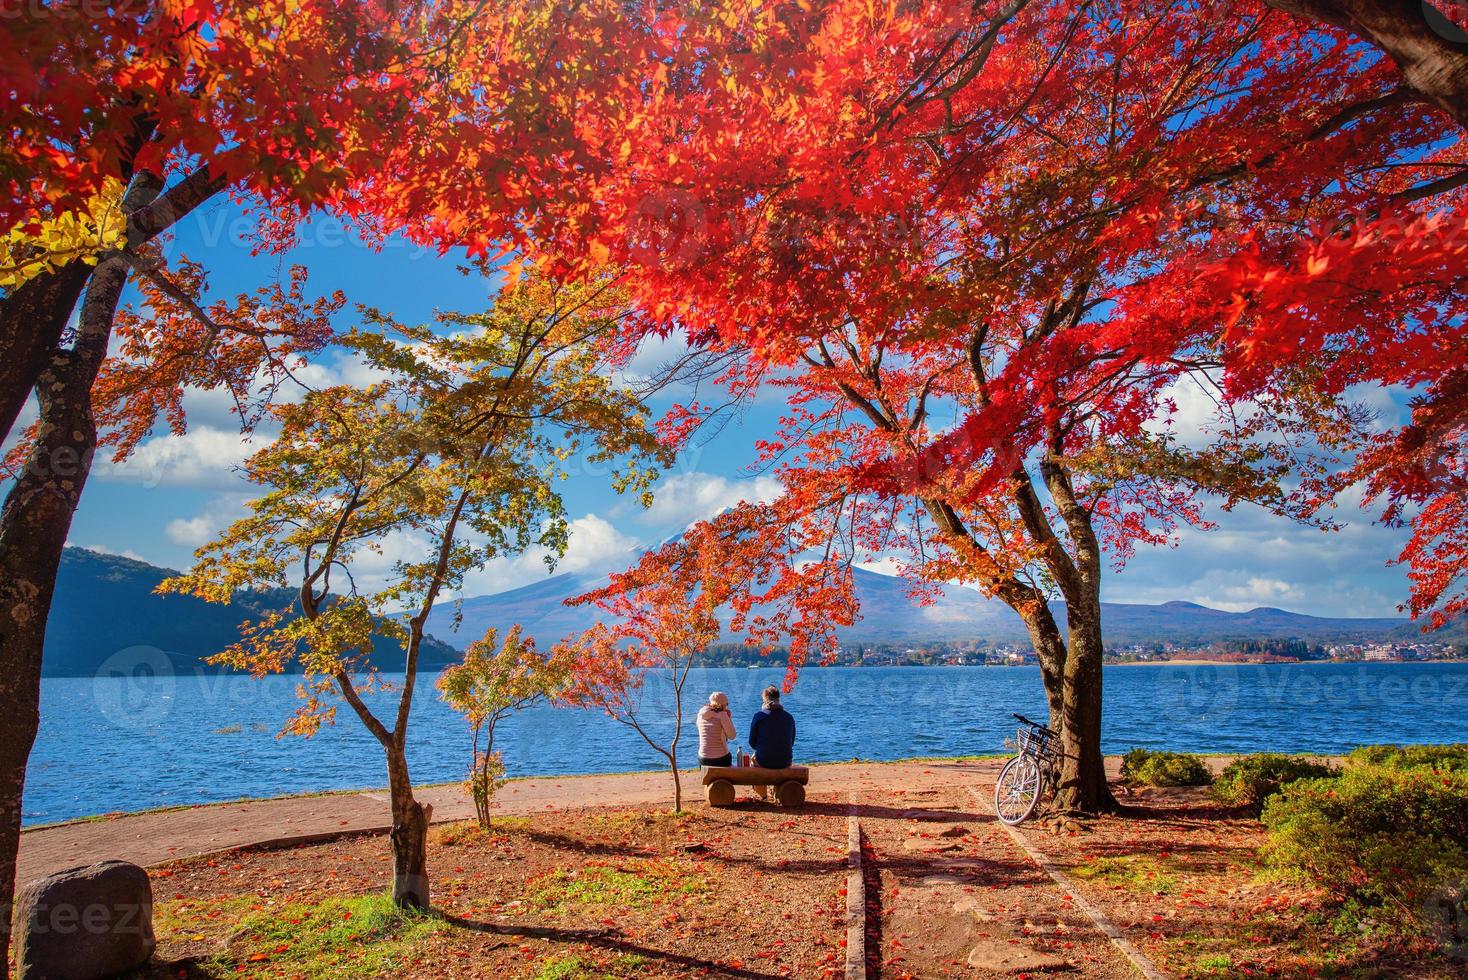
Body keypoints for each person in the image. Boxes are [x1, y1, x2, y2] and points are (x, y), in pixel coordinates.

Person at [747, 684, 796, 777]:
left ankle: (761, 790)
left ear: (765, 699)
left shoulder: (759, 716)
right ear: (778, 699)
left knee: (753, 761)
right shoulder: (789, 717)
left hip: (764, 762)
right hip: (785, 762)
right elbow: (792, 742)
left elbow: (752, 742)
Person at [697, 691, 736, 768]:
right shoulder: (722, 715)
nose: (727, 707)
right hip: (720, 758)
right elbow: (732, 736)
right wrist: (729, 718)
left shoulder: (700, 714)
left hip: (703, 757)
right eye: (726, 704)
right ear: (722, 705)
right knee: (728, 755)